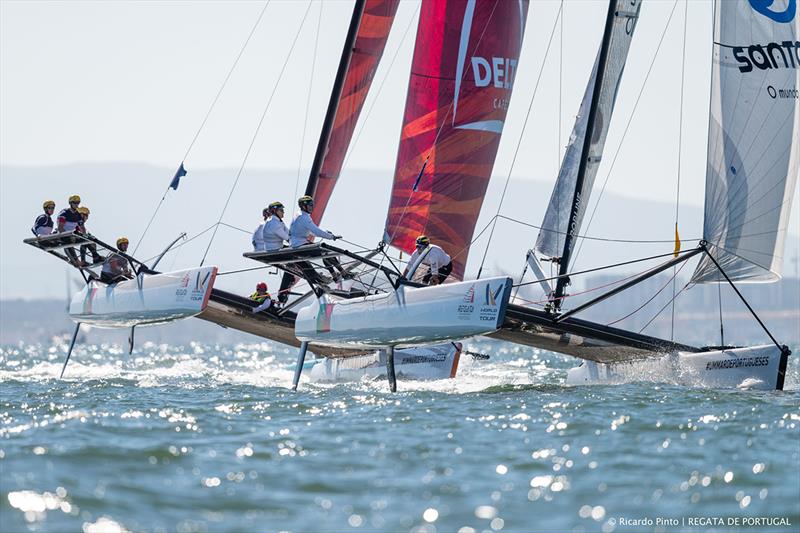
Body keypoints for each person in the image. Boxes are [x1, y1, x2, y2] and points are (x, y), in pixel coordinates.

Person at [289, 195, 349, 284]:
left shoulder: (299, 215)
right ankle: (343, 274)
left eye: (312, 205)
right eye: (310, 205)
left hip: (298, 246)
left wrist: (327, 233)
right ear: (303, 206)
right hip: (300, 247)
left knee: (325, 253)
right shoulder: (304, 217)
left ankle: (336, 276)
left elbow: (311, 231)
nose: (312, 207)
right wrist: (331, 237)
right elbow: (316, 231)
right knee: (326, 252)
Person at [57, 195, 84, 265]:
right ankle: (76, 261)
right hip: (63, 235)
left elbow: (82, 227)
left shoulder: (78, 214)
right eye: (74, 203)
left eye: (78, 202)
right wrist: (69, 235)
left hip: (72, 235)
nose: (76, 204)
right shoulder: (64, 213)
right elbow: (60, 228)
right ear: (70, 203)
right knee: (68, 242)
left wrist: (85, 236)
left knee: (89, 241)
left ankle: (94, 257)